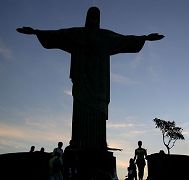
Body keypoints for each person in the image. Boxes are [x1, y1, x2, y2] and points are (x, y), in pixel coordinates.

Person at [16, 6, 165, 151]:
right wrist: (36, 32)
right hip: (82, 80)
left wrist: (145, 38)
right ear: (87, 18)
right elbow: (58, 35)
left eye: (96, 16)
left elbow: (124, 40)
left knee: (98, 111)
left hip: (99, 84)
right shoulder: (76, 34)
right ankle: (77, 142)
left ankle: (99, 144)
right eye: (91, 16)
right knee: (80, 110)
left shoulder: (105, 37)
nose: (93, 20)